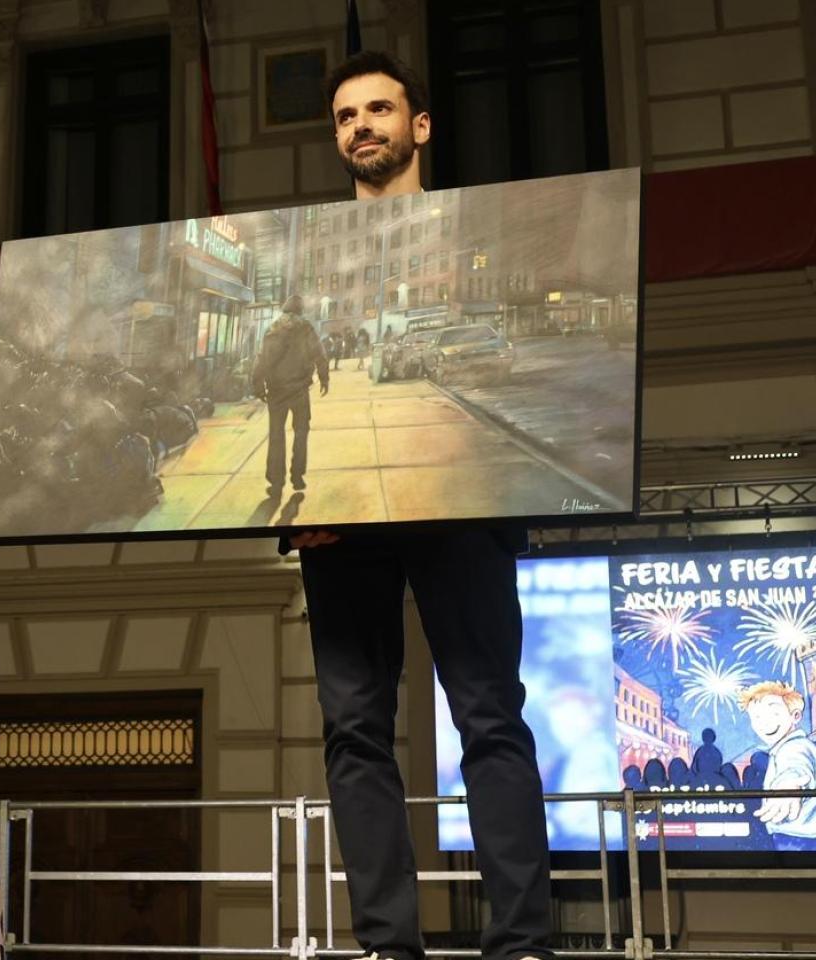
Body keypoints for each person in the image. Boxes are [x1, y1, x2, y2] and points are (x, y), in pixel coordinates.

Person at [289, 51, 555, 960]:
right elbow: (297, 375)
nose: (360, 127)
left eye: (377, 110)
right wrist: (297, 503)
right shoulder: (312, 245)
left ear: (420, 125)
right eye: (344, 117)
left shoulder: (478, 232)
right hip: (343, 513)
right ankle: (385, 948)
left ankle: (521, 945)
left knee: (488, 715)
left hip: (461, 499)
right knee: (355, 729)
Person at [741, 681, 816, 851]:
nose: (764, 723)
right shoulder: (784, 748)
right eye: (757, 717)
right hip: (803, 836)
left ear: (795, 716)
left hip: (797, 838)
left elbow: (796, 768)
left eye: (774, 713)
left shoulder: (795, 747)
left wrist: (789, 787)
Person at [252, 295, 328, 497]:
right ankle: (297, 476)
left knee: (276, 436)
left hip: (276, 390)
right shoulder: (305, 327)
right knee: (301, 432)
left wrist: (257, 384)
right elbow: (319, 353)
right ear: (301, 309)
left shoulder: (273, 327)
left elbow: (262, 358)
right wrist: (324, 377)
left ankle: (276, 481)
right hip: (299, 390)